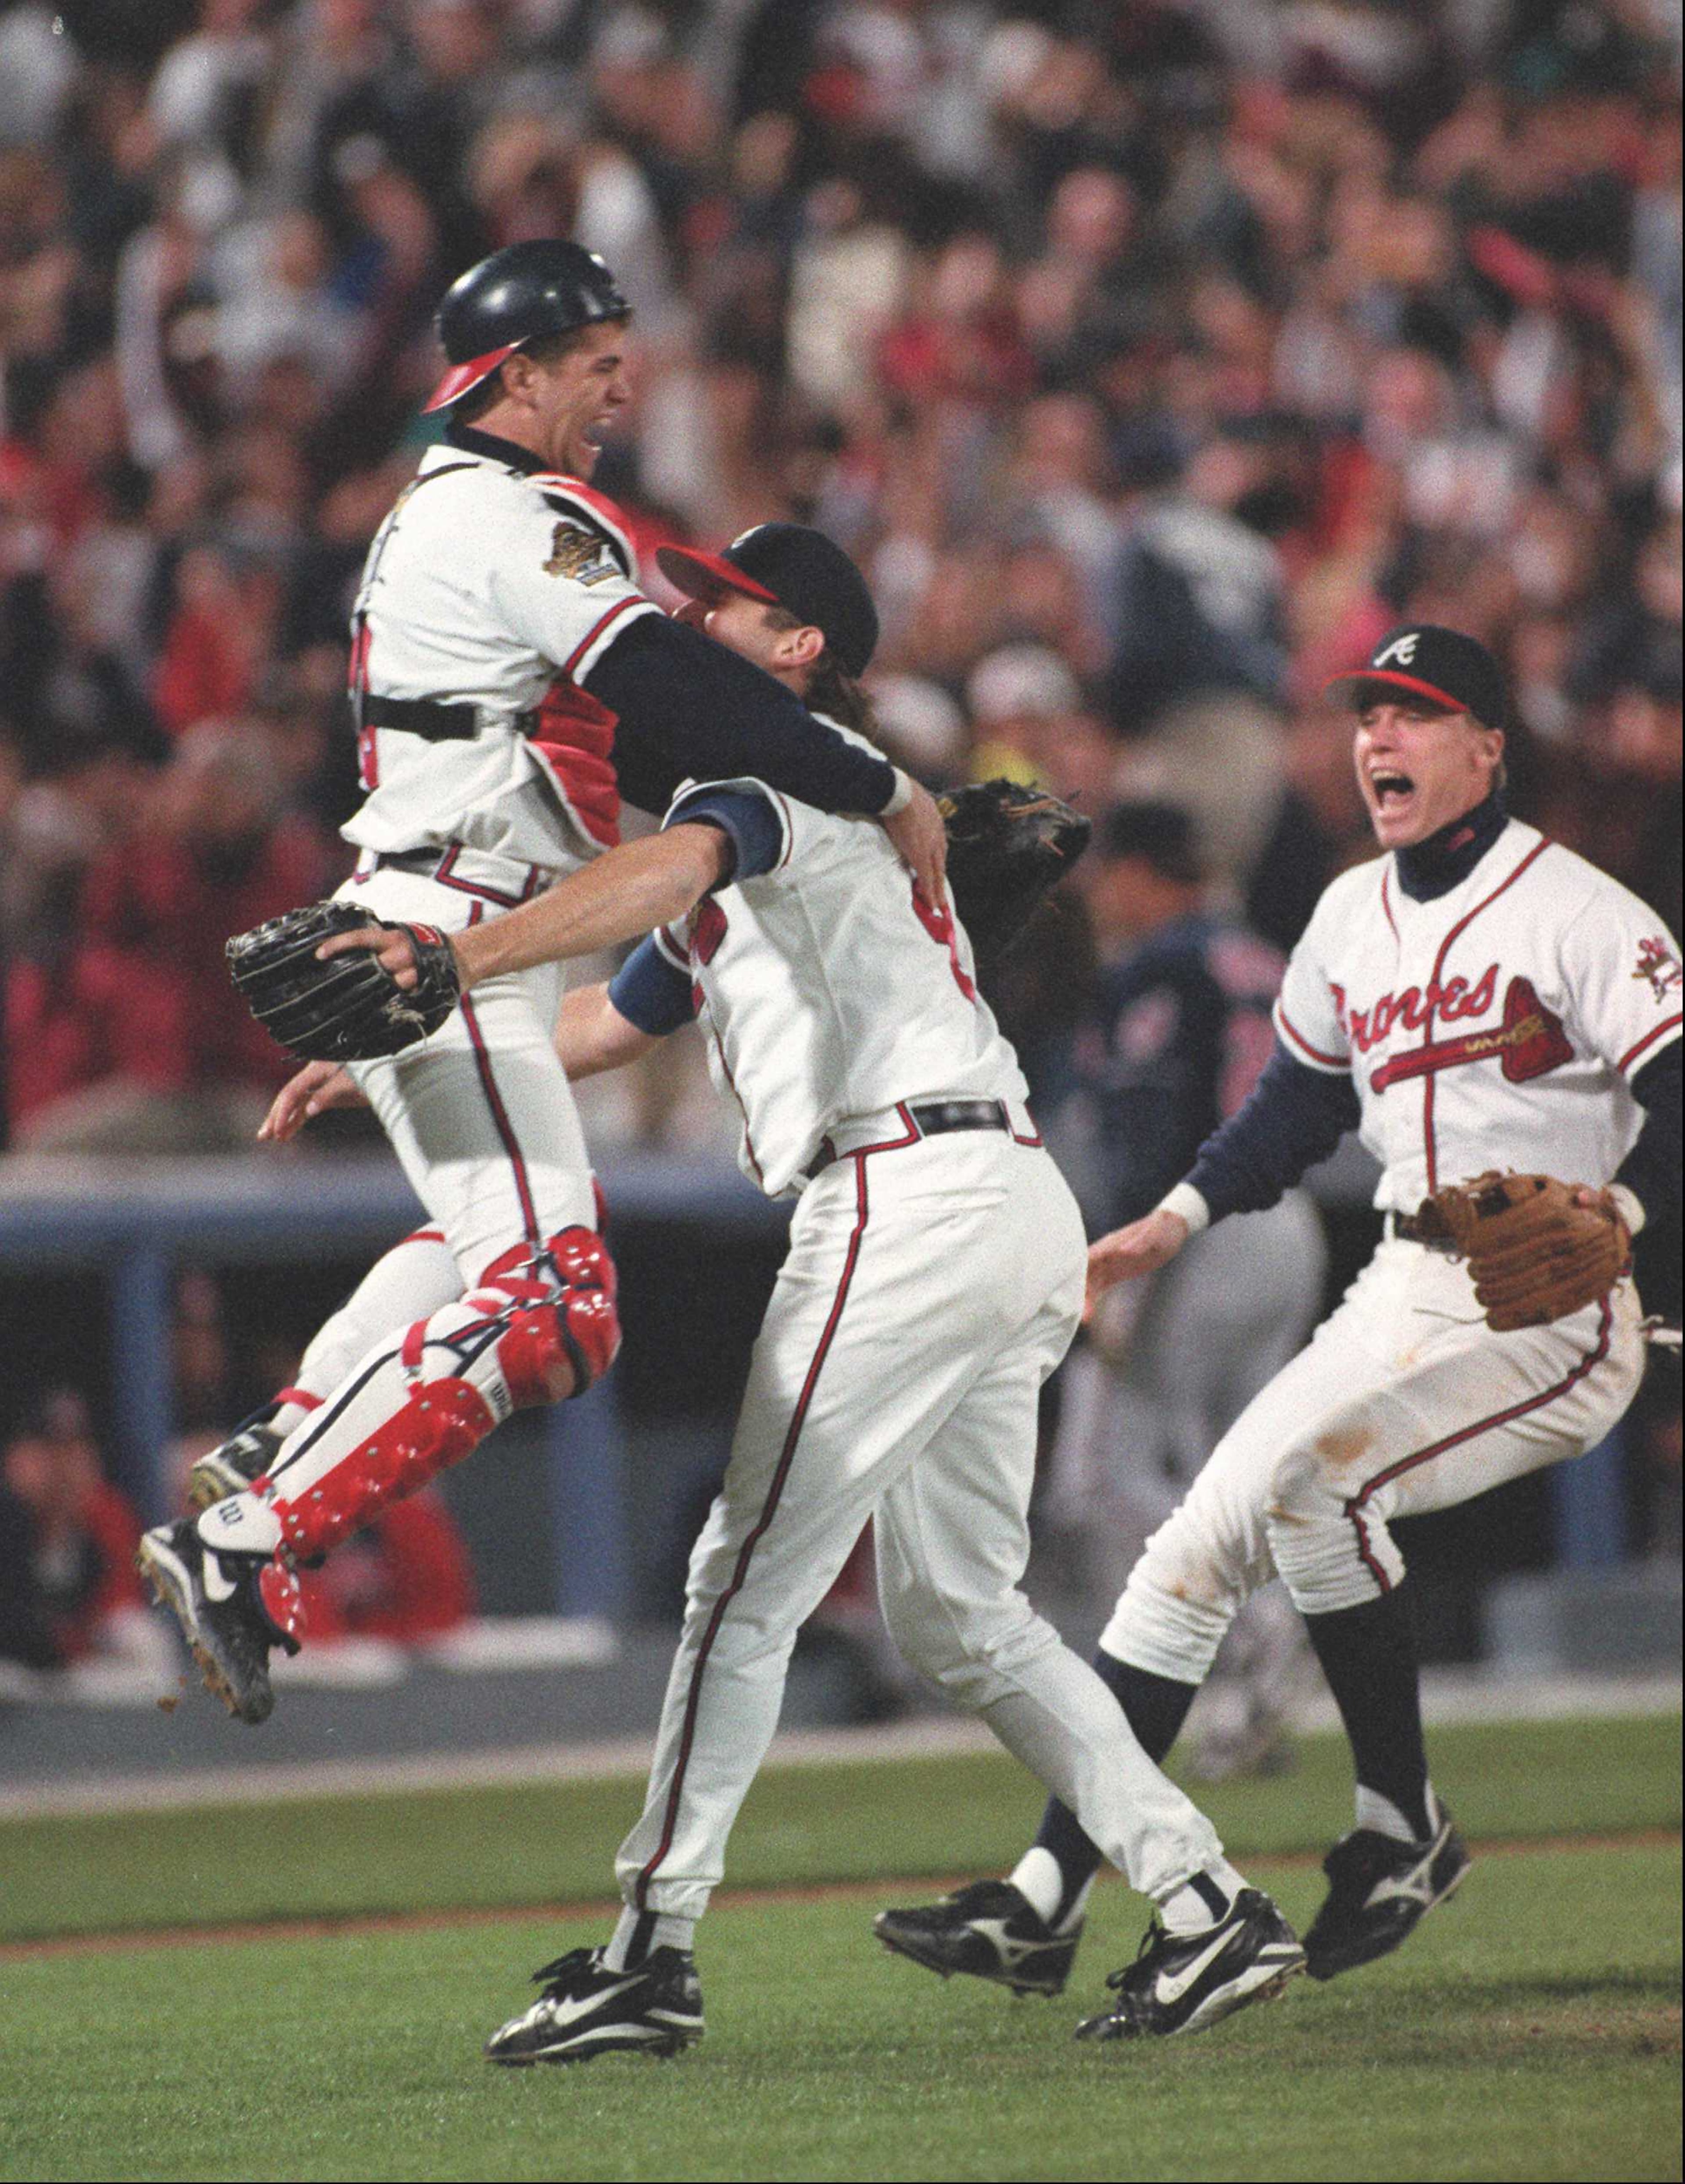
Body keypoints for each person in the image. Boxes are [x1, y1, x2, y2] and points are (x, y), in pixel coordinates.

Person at [266, 527, 1308, 2057]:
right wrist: (395, 1059)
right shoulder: (800, 810)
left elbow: (672, 866)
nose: (687, 620)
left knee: (736, 1578)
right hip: (995, 1191)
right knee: (960, 1610)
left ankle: (648, 1949)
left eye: (724, 606)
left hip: (906, 1196)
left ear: (803, 641)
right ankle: (1207, 1899)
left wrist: (452, 951)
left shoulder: (786, 770)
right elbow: (609, 1029)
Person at [136, 237, 949, 1729]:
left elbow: (632, 738)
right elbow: (673, 687)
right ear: (514, 375)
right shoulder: (516, 509)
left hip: (453, 925)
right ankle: (250, 1530)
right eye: (593, 362)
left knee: (488, 1250)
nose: (620, 383)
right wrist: (869, 770)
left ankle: (286, 1441)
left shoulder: (453, 517)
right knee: (556, 1310)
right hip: (450, 929)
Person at [875, 625, 1680, 1996]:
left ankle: (1397, 1820)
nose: (1381, 741)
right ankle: (1046, 1894)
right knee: (1181, 1554)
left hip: (1550, 1309)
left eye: (1417, 717)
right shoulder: (1348, 912)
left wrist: (1631, 1216)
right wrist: (1174, 1217)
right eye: (1369, 715)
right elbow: (1298, 1104)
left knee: (1316, 1491)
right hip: (1397, 1278)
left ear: (1489, 745)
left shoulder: (1589, 914)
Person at [1038, 801, 1325, 1778]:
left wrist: (1118, 1256)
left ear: (1146, 870)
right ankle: (1251, 1689)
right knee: (1237, 1472)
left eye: (1110, 869)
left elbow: (1154, 1120)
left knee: (1101, 1474)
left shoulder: (1160, 966)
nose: (1099, 892)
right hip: (1289, 1222)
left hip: (1191, 1228)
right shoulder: (1258, 954)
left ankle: (1254, 1630)